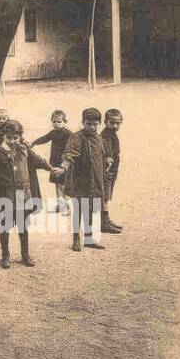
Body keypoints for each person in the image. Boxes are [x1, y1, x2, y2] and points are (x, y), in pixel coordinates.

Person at [0, 119, 49, 269]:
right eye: (9, 138)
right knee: (5, 226)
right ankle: (5, 256)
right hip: (5, 195)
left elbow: (38, 162)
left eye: (16, 137)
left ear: (20, 136)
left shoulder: (24, 150)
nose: (13, 141)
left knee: (23, 225)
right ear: (3, 136)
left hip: (22, 194)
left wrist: (51, 168)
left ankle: (25, 255)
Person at [51, 108, 107, 253]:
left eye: (95, 124)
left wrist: (108, 159)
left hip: (94, 181)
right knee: (79, 211)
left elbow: (102, 153)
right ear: (83, 123)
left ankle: (88, 239)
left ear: (99, 124)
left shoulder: (98, 137)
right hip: (80, 180)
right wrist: (63, 168)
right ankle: (76, 239)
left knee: (89, 210)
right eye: (89, 124)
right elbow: (69, 154)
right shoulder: (77, 137)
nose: (92, 127)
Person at [31, 110, 73, 215]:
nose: (56, 124)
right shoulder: (53, 133)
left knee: (63, 185)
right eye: (54, 121)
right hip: (54, 162)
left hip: (63, 164)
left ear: (65, 122)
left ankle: (67, 208)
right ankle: (60, 205)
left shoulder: (68, 134)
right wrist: (34, 143)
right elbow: (44, 138)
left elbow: (74, 145)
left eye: (59, 122)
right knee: (57, 184)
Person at [100, 109, 125, 233]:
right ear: (106, 122)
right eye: (112, 122)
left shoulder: (112, 134)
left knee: (107, 194)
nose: (115, 126)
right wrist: (108, 158)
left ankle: (105, 219)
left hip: (112, 169)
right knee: (105, 195)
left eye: (118, 123)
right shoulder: (105, 135)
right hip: (106, 169)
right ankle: (103, 222)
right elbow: (106, 149)